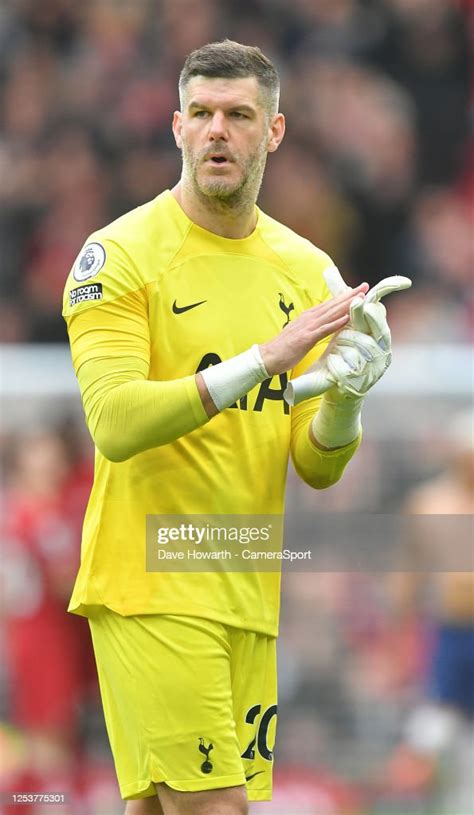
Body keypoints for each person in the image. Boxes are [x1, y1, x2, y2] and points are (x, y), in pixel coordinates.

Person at [62, 40, 402, 815]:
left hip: (246, 585)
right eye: (204, 115)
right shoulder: (117, 255)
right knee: (218, 809)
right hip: (150, 581)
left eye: (240, 115)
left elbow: (315, 464)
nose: (219, 130)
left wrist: (346, 397)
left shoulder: (307, 271)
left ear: (272, 132)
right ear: (177, 128)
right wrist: (261, 359)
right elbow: (114, 421)